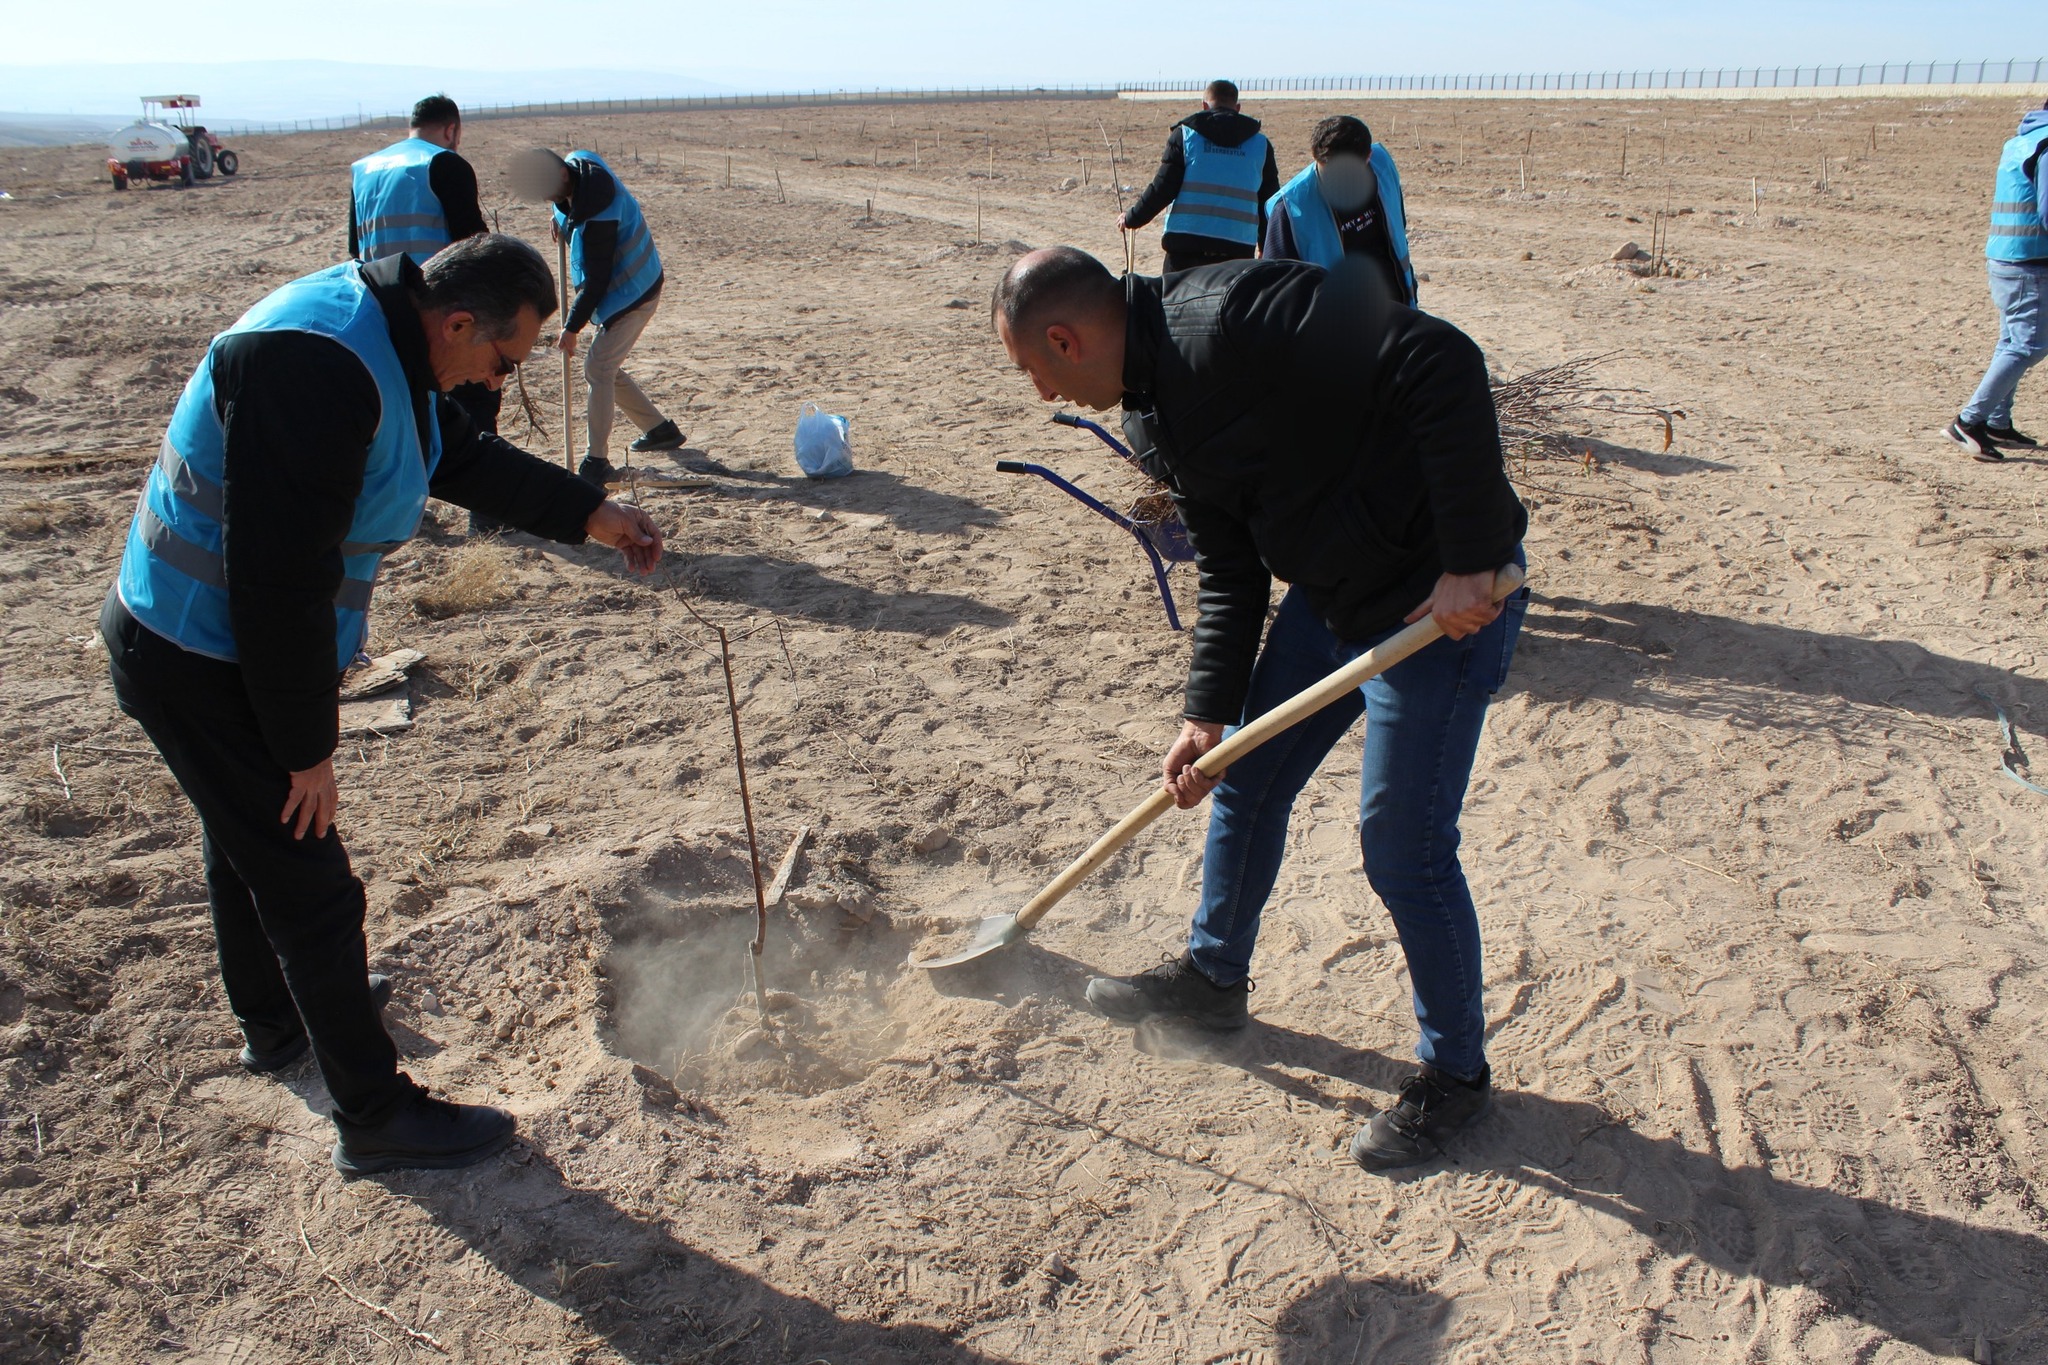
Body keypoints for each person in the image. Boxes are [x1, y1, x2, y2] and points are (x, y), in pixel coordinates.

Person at [102, 234, 665, 1177]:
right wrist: (304, 747)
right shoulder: (313, 366)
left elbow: (453, 455)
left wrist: (587, 513)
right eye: (504, 359)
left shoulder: (390, 336)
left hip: (213, 648)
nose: (501, 377)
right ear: (456, 322)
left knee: (245, 837)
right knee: (311, 882)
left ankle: (277, 1023)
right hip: (196, 650)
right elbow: (275, 583)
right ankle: (374, 1116)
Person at [990, 246, 1528, 1172]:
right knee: (1239, 775)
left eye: (1032, 371)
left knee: (1403, 846)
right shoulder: (1154, 415)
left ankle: (1456, 1076)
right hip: (1330, 600)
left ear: (1065, 338)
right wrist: (1207, 712)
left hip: (1437, 610)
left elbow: (1437, 357)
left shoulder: (1235, 313)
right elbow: (1231, 569)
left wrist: (1471, 555)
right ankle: (1211, 979)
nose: (1042, 394)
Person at [350, 93, 510, 531]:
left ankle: (402, 513)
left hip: (380, 313)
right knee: (476, 405)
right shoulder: (445, 164)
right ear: (452, 129)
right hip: (443, 314)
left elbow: (354, 250)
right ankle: (487, 513)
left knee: (400, 415)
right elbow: (473, 250)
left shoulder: (363, 169)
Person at [511, 147, 685, 488]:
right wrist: (560, 216)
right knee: (605, 365)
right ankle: (659, 430)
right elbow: (571, 182)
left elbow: (597, 283)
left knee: (598, 368)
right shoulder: (580, 165)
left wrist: (571, 327)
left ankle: (596, 463)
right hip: (629, 286)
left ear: (563, 175)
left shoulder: (599, 218)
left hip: (635, 291)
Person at [1947, 101, 2048, 461]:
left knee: (2011, 342)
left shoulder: (2023, 139)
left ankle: (1996, 423)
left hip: (2006, 258)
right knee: (2028, 346)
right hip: (2029, 262)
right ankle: (1969, 422)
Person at [1118, 79, 1280, 274]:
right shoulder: (1261, 145)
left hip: (1185, 247)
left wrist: (1131, 218)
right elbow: (1269, 201)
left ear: (1204, 105)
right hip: (1237, 251)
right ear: (1237, 108)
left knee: (1172, 304)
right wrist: (1265, 244)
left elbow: (1163, 188)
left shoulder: (1185, 136)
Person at [1264, 115, 1418, 307]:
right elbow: (1278, 289)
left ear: (1368, 157)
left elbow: (1398, 234)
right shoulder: (1290, 208)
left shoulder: (1383, 168)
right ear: (1315, 158)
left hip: (1398, 310)